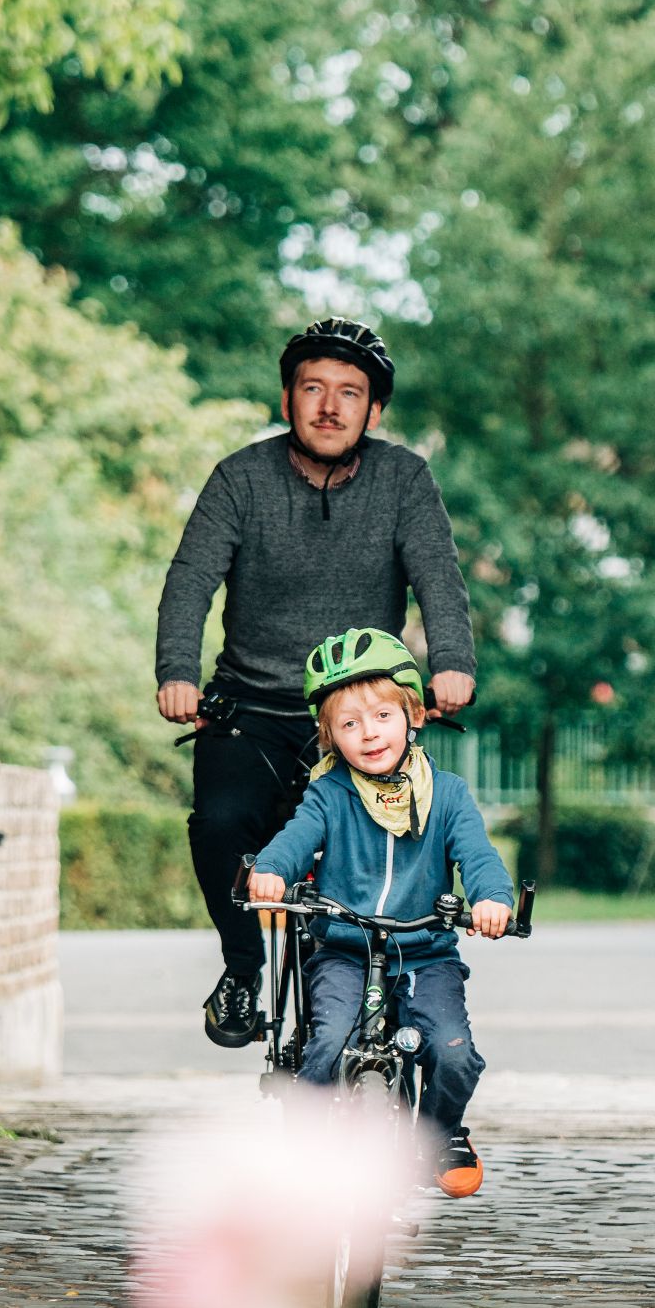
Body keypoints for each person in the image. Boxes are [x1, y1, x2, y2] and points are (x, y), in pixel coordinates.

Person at [156, 317, 477, 1048]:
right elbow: (190, 580)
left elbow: (439, 578)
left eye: (350, 393)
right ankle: (243, 969)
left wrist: (453, 664)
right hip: (251, 707)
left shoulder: (405, 480)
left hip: (357, 712)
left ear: (374, 411)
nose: (330, 407)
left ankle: (357, 997)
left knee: (372, 847)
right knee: (221, 822)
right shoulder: (240, 478)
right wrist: (176, 672)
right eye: (313, 388)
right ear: (287, 398)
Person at [246, 628, 512, 1198]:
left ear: (412, 715)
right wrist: (271, 870)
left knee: (454, 1055)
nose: (369, 733)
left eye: (383, 716)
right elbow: (295, 839)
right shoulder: (328, 794)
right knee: (326, 1048)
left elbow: (478, 856)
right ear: (330, 737)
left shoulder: (448, 794)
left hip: (425, 955)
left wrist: (492, 899)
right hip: (344, 952)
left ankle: (439, 1135)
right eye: (349, 724)